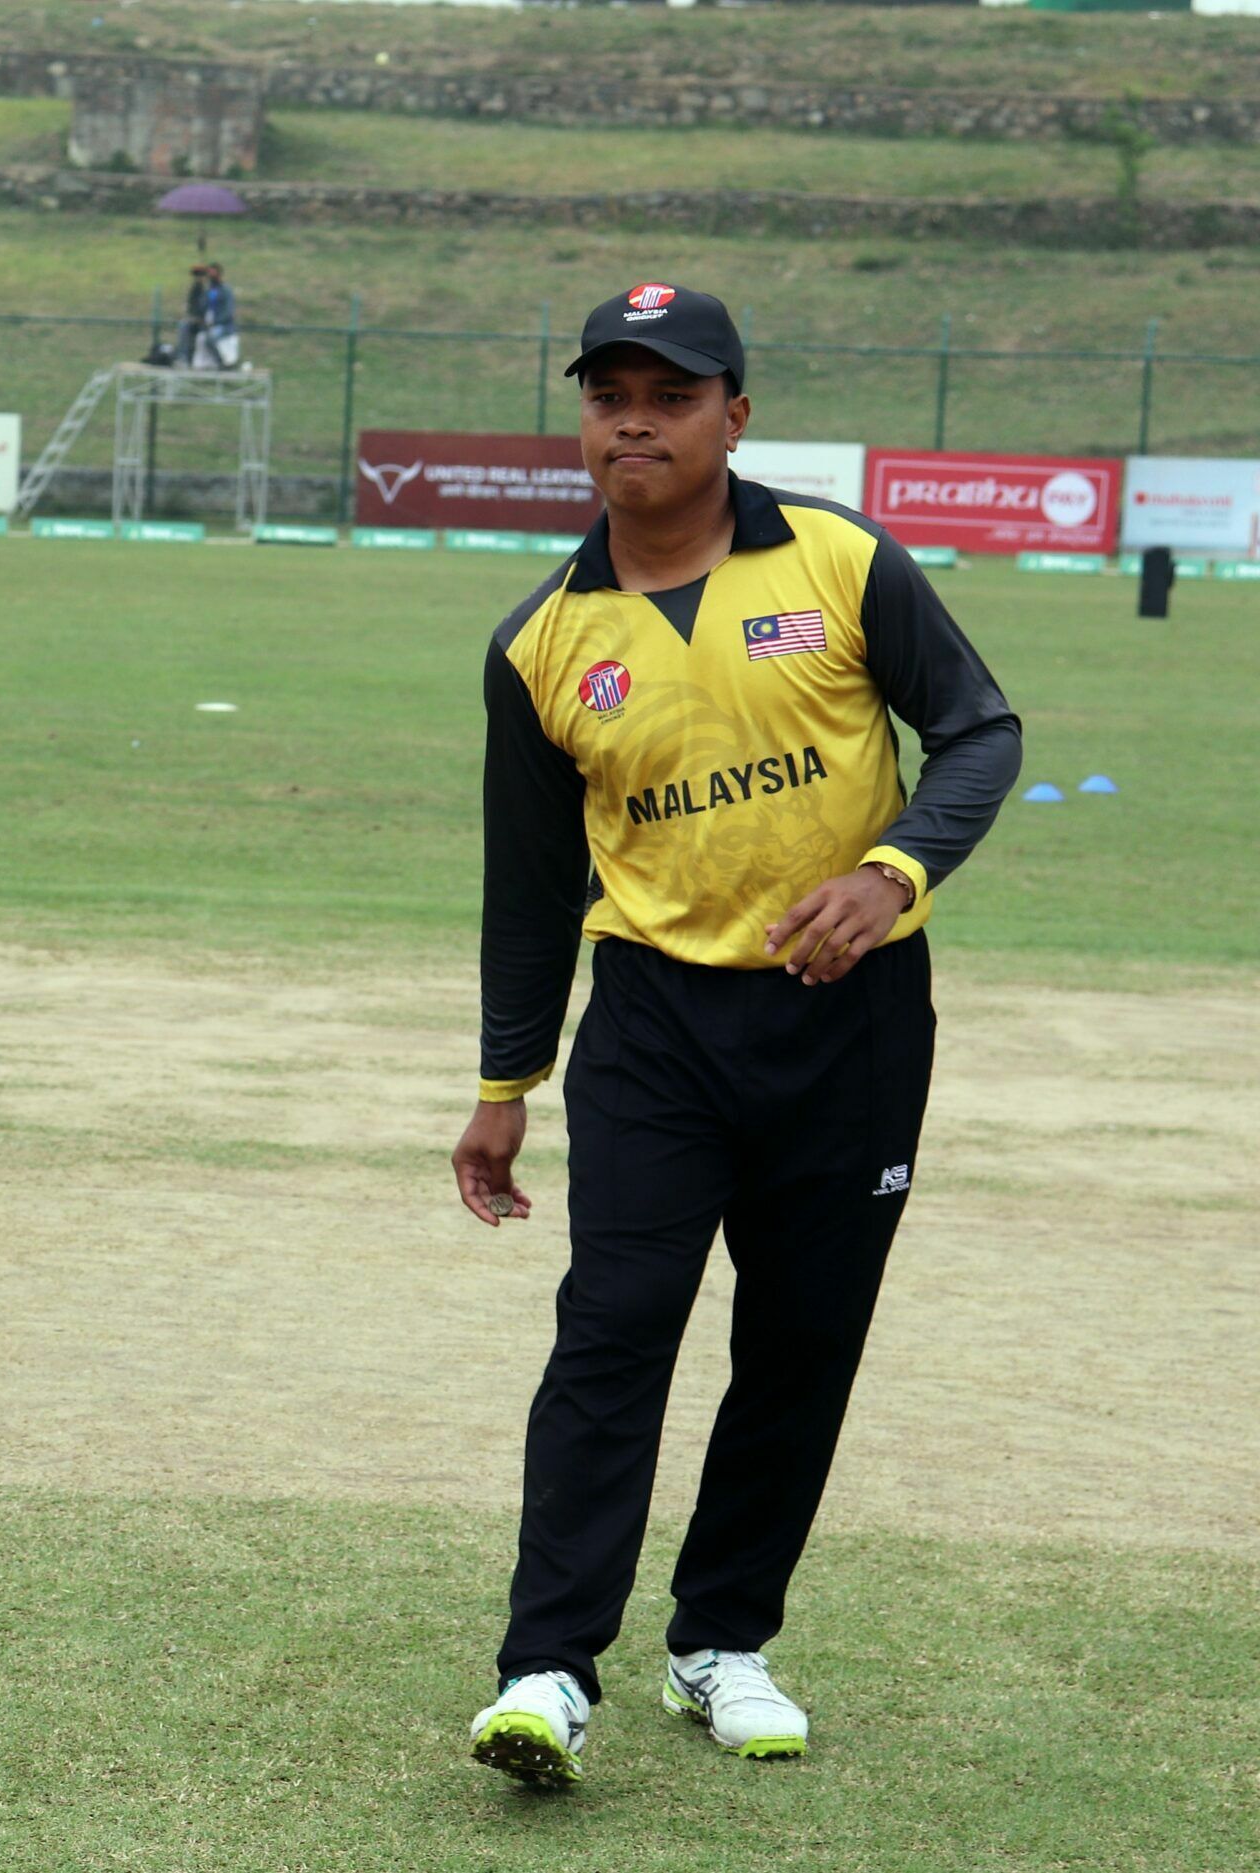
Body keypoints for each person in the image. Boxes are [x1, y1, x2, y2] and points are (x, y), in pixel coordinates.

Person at [452, 284, 1020, 1786]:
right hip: (654, 1025)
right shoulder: (541, 640)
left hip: (851, 1020)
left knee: (802, 1337)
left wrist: (892, 873)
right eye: (609, 395)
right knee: (613, 1329)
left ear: (736, 414)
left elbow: (980, 731)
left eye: (673, 394)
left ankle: (721, 1643)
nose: (634, 421)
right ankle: (544, 1668)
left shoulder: (842, 559)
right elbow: (528, 889)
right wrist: (506, 1083)